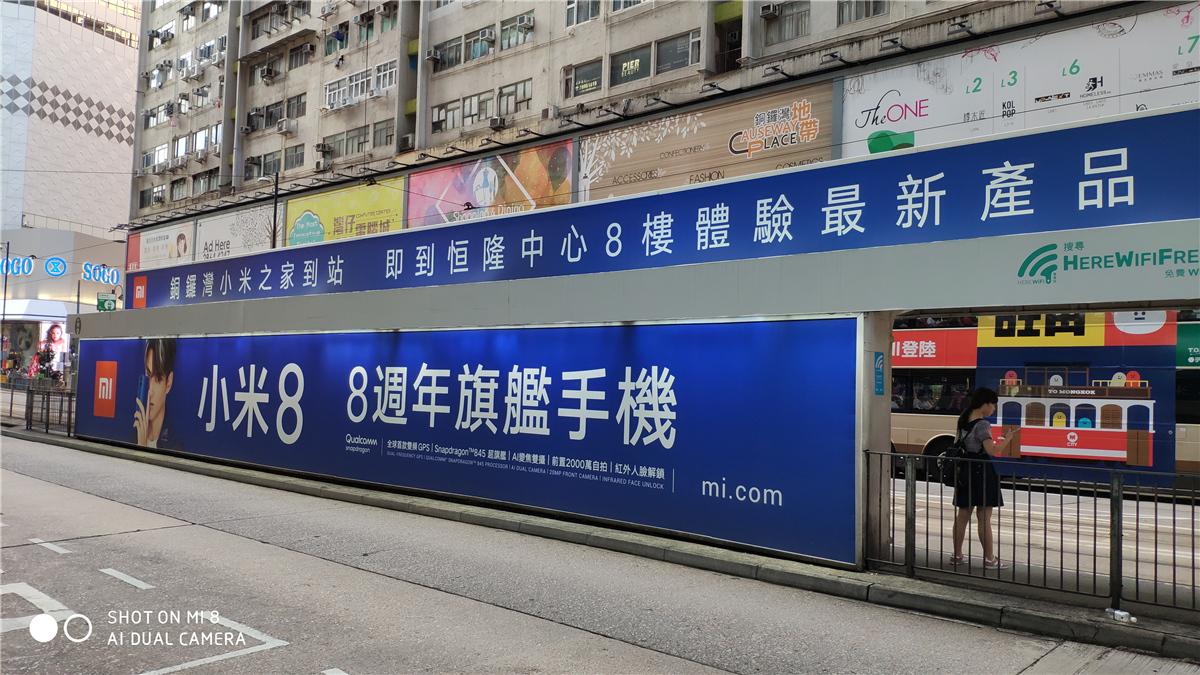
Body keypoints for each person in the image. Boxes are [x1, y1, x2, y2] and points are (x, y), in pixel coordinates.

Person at [950, 387, 1012, 569]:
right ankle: (989, 559)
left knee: (963, 515)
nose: (994, 409)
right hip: (982, 472)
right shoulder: (983, 424)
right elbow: (993, 450)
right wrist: (1007, 439)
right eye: (993, 405)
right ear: (985, 404)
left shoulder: (963, 419)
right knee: (984, 517)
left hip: (965, 471)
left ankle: (957, 555)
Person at [132, 338, 179, 449]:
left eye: (158, 379)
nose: (150, 391)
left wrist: (142, 448)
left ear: (168, 382)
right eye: (148, 375)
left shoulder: (176, 445)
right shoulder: (133, 433)